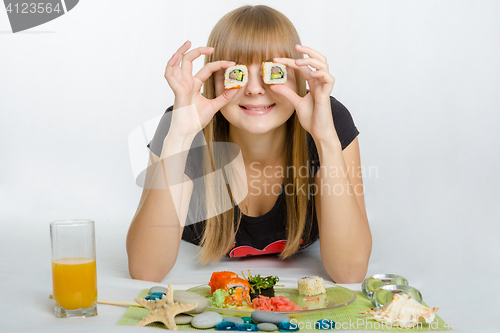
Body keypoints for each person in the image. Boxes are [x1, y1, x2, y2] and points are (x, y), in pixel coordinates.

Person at [126, 5, 371, 283]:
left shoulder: (328, 118)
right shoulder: (182, 124)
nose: (254, 89)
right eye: (237, 73)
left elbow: (350, 273)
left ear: (299, 77)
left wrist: (326, 140)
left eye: (273, 72)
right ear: (214, 81)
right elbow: (146, 272)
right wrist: (179, 139)